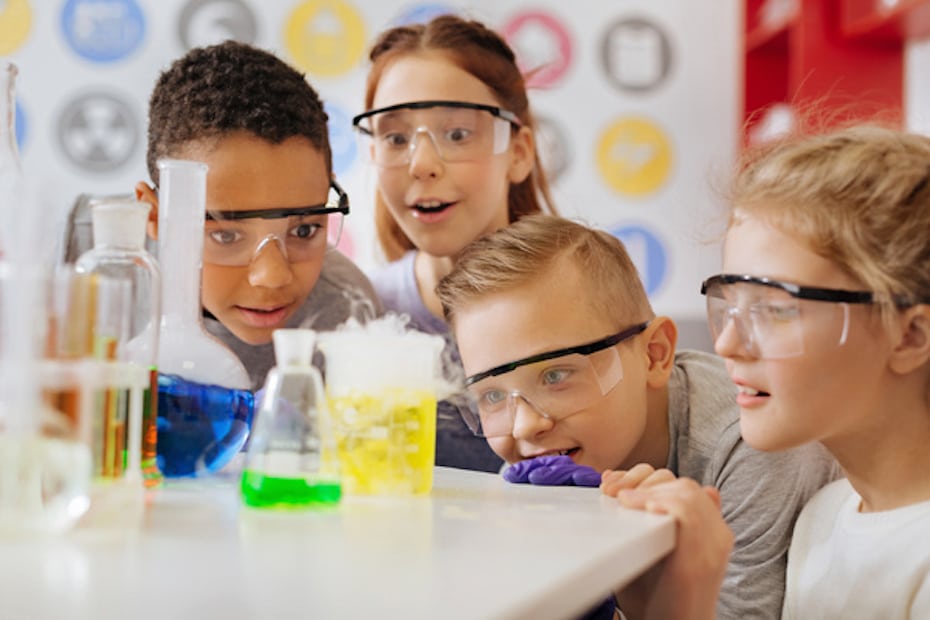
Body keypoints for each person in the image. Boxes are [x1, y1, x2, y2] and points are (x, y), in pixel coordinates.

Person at [435, 214, 838, 620]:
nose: (524, 426)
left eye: (556, 375)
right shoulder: (548, 445)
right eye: (490, 395)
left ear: (654, 355)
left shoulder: (750, 446)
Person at [695, 124, 930, 618]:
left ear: (910, 336)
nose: (726, 343)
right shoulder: (821, 519)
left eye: (775, 309)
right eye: (729, 305)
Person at [351, 15, 558, 472]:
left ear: (519, 152)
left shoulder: (583, 308)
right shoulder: (362, 316)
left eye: (458, 134)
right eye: (396, 137)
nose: (422, 164)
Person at [135, 41, 381, 389]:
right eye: (226, 235)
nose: (272, 277)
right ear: (156, 217)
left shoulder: (346, 313)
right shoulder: (90, 284)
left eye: (304, 230)